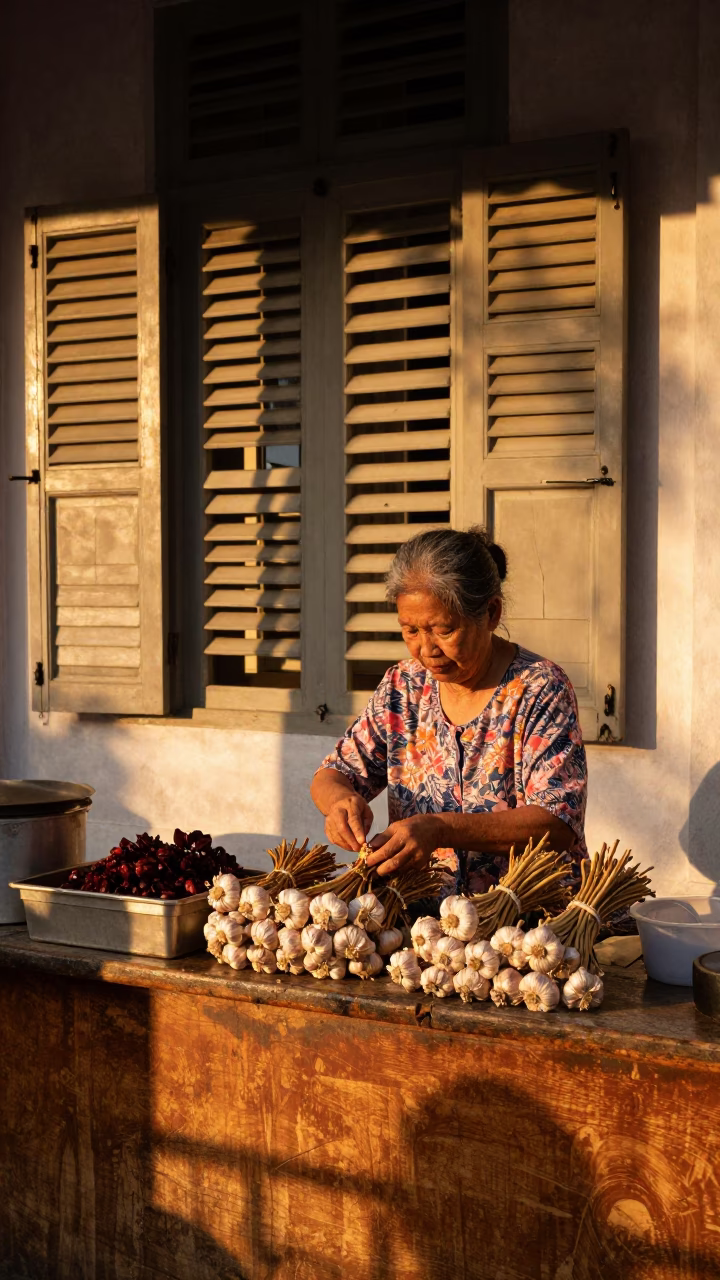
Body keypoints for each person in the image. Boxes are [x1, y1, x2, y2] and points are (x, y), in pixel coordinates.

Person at [310, 527, 587, 893]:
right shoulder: (402, 686)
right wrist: (339, 803)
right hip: (423, 915)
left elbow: (557, 824)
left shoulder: (539, 689)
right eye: (410, 630)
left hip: (526, 913)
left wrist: (441, 829)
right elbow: (333, 773)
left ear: (491, 613)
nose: (426, 650)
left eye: (443, 630)